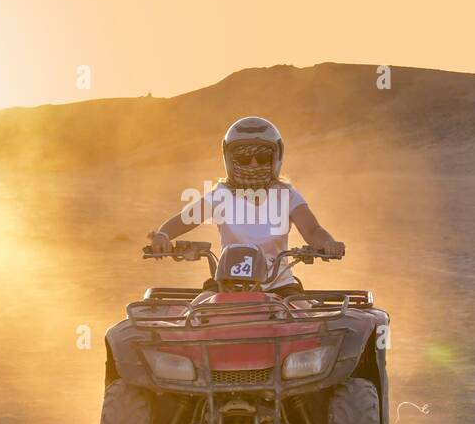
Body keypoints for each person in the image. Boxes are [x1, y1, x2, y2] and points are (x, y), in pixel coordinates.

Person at [148, 116, 345, 298]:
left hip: (280, 287)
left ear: (274, 159)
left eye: (261, 158)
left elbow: (312, 230)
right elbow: (186, 218)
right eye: (243, 159)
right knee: (193, 316)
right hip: (225, 284)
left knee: (303, 317)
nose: (252, 165)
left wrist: (328, 243)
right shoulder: (221, 194)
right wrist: (163, 235)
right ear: (230, 161)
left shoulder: (286, 194)